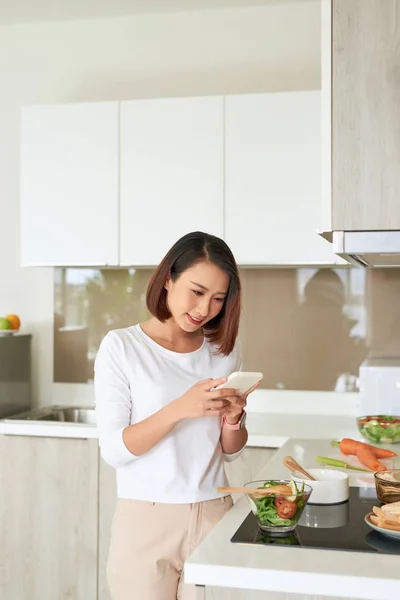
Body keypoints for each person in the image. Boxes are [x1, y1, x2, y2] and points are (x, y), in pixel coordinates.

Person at [94, 231, 260, 600]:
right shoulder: (122, 347)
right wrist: (180, 408)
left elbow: (230, 450)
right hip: (147, 519)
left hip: (215, 511)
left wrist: (234, 419)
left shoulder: (223, 353)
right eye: (197, 292)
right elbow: (114, 450)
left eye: (219, 298)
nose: (205, 309)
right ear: (168, 278)